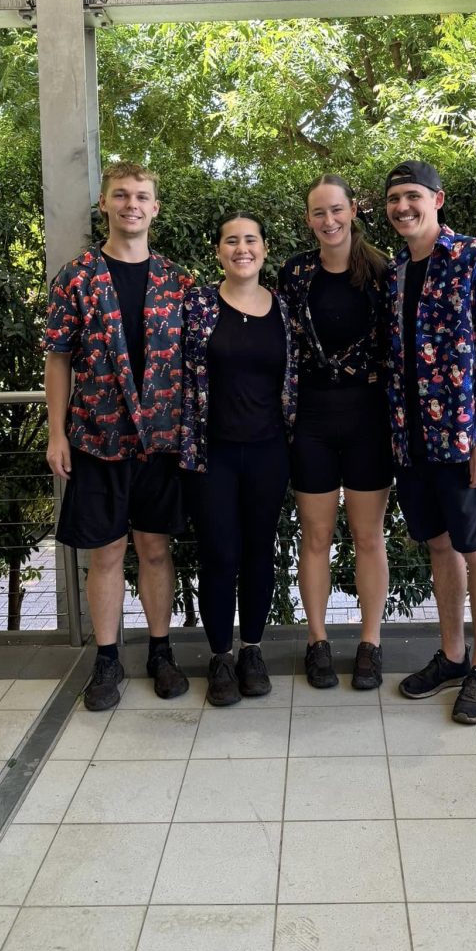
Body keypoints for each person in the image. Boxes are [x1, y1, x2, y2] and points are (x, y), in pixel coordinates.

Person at [43, 162, 192, 711]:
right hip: (96, 438)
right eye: (121, 195)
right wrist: (56, 433)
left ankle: (160, 650)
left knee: (155, 549)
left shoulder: (178, 282)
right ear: (104, 204)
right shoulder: (77, 277)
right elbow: (58, 359)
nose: (132, 203)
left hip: (161, 440)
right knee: (105, 554)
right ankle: (107, 660)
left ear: (155, 208)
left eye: (142, 196)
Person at [384, 160, 476, 724]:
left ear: (437, 200)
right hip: (411, 443)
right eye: (393, 199)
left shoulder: (473, 256)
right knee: (439, 547)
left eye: (413, 196)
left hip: (463, 441)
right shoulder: (395, 272)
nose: (402, 207)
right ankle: (454, 656)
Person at [278, 174, 392, 690]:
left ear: (352, 212)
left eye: (337, 210)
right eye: (319, 212)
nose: (329, 220)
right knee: (316, 537)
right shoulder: (295, 273)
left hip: (369, 419)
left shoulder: (383, 272)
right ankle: (317, 641)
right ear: (309, 219)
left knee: (369, 538)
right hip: (313, 422)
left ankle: (370, 643)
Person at [179, 213, 297, 706]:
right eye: (232, 240)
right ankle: (220, 656)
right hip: (213, 454)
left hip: (270, 451)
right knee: (219, 554)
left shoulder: (285, 310)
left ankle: (252, 650)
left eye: (251, 240)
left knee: (258, 552)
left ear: (265, 249)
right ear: (219, 252)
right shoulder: (198, 305)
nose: (242, 248)